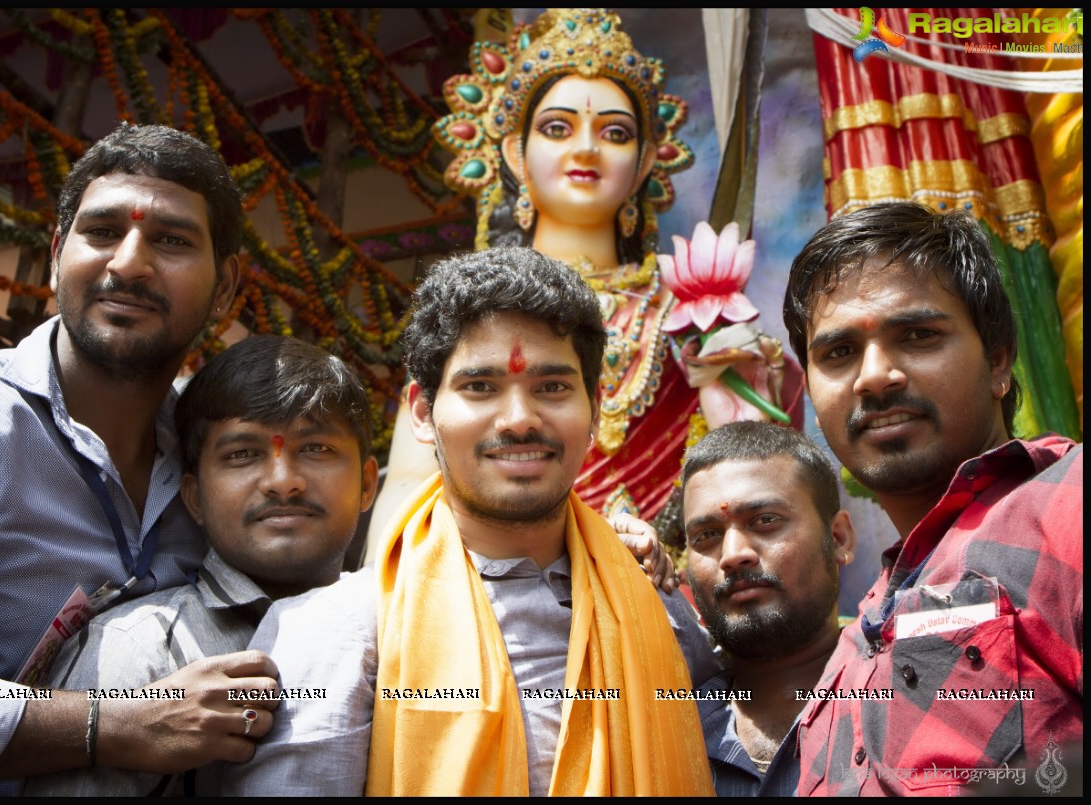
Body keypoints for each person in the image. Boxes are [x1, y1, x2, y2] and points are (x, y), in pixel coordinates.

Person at [222, 246, 717, 796]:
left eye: (552, 387)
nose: (520, 420)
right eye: (480, 387)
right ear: (421, 413)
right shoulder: (339, 628)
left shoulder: (657, 607)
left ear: (595, 410)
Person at [0, 123, 280, 796]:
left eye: (170, 240)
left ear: (225, 289)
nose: (129, 263)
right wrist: (109, 724)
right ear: (55, 256)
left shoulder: (225, 453)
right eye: (102, 231)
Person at [368, 7, 801, 548]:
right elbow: (409, 488)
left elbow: (763, 502)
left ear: (644, 162)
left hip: (670, 592)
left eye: (615, 132)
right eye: (557, 127)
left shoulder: (695, 311)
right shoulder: (467, 318)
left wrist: (747, 408)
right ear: (515, 154)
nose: (587, 148)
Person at [782, 202, 1083, 796]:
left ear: (998, 360)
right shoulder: (852, 647)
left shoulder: (1068, 504)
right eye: (838, 353)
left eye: (918, 335)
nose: (874, 376)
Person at [23, 335, 380, 795]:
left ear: (368, 484)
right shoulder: (142, 650)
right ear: (194, 497)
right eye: (242, 454)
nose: (283, 482)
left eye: (315, 449)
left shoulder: (403, 627)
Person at [681, 421, 855, 796]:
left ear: (838, 538)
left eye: (765, 521)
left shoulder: (904, 698)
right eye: (706, 536)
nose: (733, 555)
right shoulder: (666, 729)